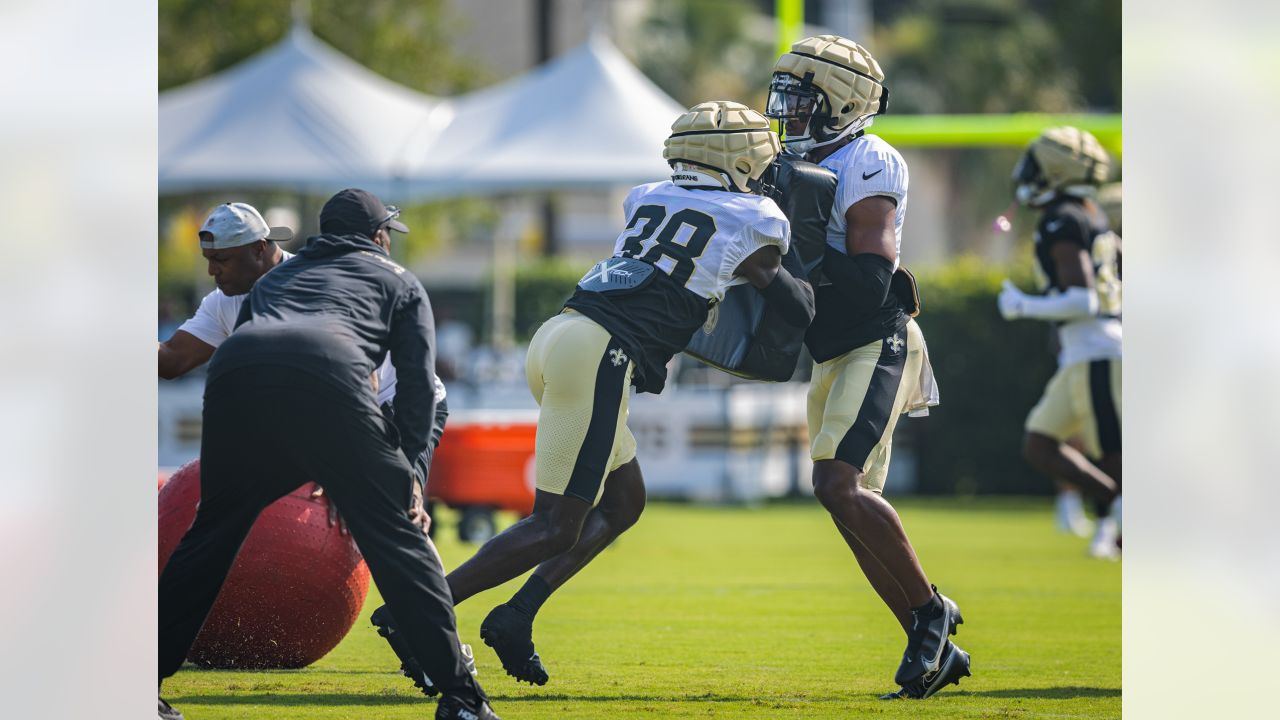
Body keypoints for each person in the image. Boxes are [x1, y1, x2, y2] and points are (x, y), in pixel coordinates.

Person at [375, 100, 815, 687]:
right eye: (759, 162)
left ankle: (516, 616)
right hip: (600, 355)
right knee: (556, 524)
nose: (765, 173)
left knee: (624, 501)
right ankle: (419, 612)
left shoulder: (649, 195)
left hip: (561, 336)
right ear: (737, 161)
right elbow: (797, 305)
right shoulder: (755, 215)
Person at [157, 189, 499, 720]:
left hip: (240, 377)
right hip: (336, 384)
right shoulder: (399, 280)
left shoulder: (275, 280)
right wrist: (404, 474)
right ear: (379, 236)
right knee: (400, 537)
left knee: (209, 537)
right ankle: (461, 697)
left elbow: (266, 353)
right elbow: (415, 386)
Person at [764, 35, 969, 700]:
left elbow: (870, 279)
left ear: (842, 103)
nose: (788, 112)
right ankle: (935, 646)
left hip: (877, 341)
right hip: (831, 351)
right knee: (846, 507)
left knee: (837, 485)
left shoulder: (867, 157)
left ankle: (931, 612)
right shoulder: (794, 162)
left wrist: (788, 252)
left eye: (803, 100)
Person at [997, 127, 1123, 560]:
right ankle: (1119, 511)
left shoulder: (1063, 217)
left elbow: (1084, 298)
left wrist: (1022, 305)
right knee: (1040, 444)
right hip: (1084, 353)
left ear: (1055, 170)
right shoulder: (1085, 211)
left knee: (1112, 454)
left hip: (1098, 351)